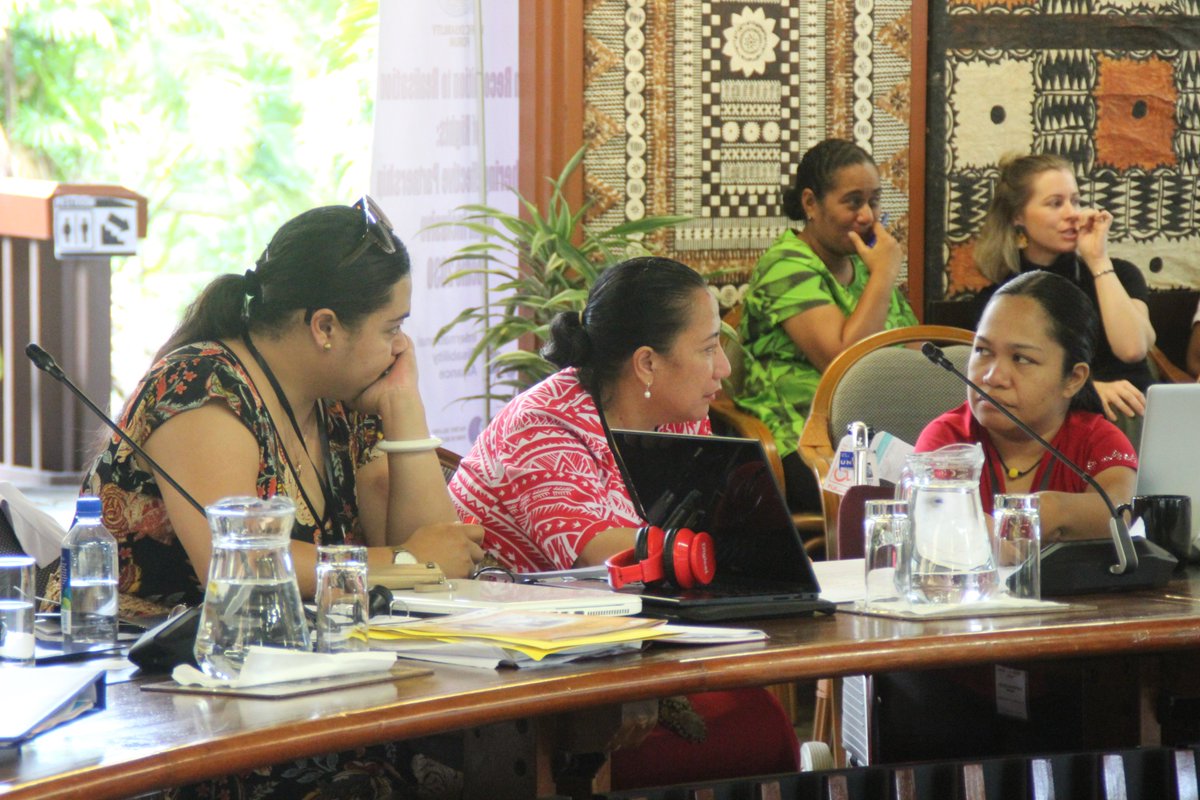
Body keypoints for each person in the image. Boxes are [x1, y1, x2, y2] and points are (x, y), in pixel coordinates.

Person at [62, 199, 483, 799]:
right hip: (156, 696)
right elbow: (235, 562)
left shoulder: (339, 400)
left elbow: (442, 559)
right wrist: (407, 561)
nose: (400, 347)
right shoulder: (202, 386)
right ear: (325, 327)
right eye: (391, 329)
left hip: (284, 684)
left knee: (461, 758)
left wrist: (404, 406)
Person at [450, 257, 799, 789]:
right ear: (647, 363)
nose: (723, 369)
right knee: (746, 733)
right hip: (519, 685)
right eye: (708, 349)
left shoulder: (677, 416)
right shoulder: (540, 429)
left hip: (621, 651)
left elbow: (699, 537)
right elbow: (615, 560)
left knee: (761, 722)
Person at [735, 138, 917, 510]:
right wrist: (884, 274)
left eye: (874, 201)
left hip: (879, 433)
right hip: (806, 443)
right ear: (810, 203)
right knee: (914, 497)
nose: (867, 216)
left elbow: (916, 351)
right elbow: (844, 365)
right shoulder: (785, 265)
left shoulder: (865, 267)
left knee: (952, 477)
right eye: (852, 202)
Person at [916, 270, 1138, 539]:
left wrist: (1054, 509)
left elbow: (1120, 512)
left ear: (1074, 379)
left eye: (1021, 358)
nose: (992, 377)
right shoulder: (948, 439)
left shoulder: (1095, 440)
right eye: (983, 351)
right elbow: (931, 521)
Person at [972, 153, 1155, 429]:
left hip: (1140, 413)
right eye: (1055, 203)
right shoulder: (1002, 300)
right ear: (1018, 216)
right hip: (1065, 419)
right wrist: (1087, 389)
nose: (1072, 214)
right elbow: (1009, 382)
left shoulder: (1120, 274)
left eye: (1075, 201)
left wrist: (1098, 260)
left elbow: (1132, 349)